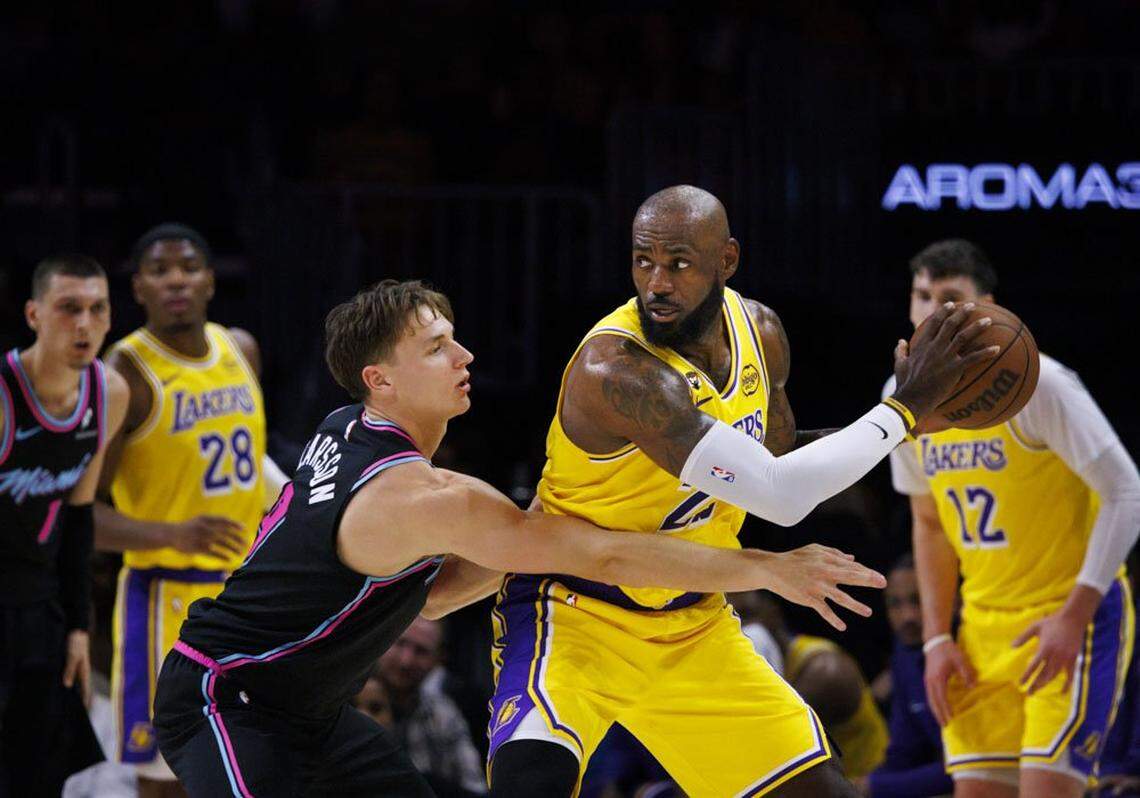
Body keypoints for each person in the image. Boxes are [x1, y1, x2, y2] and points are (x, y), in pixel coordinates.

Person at [152, 278, 889, 797]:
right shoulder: (428, 496)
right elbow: (602, 555)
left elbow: (434, 601)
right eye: (438, 347)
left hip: (308, 708)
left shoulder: (344, 428)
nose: (465, 356)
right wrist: (765, 567)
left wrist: (523, 536)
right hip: (226, 695)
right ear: (380, 379)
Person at [486, 185, 997, 798]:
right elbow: (780, 498)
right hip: (572, 614)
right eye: (642, 260)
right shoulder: (619, 371)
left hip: (691, 624)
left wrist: (902, 428)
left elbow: (773, 462)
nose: (656, 283)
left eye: (678, 263)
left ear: (726, 260)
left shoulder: (760, 331)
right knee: (531, 785)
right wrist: (902, 410)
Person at [887, 239, 1140, 798]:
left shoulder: (1039, 383)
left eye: (949, 298)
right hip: (980, 628)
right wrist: (935, 639)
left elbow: (1128, 491)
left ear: (986, 307)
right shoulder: (900, 399)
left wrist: (1074, 617)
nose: (931, 312)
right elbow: (928, 524)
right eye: (922, 296)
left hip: (1069, 616)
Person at [94, 223, 286, 796]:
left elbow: (256, 464)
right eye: (159, 270)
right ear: (138, 288)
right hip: (162, 600)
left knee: (249, 763)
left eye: (188, 266)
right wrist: (174, 532)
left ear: (209, 280)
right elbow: (82, 513)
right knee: (164, 777)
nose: (176, 279)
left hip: (245, 592)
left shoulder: (240, 348)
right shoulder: (123, 371)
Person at [0, 255, 129, 795]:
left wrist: (79, 627)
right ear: (33, 314)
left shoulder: (108, 393)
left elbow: (78, 519)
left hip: (42, 606)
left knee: (40, 774)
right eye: (68, 308)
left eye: (97, 309)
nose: (85, 323)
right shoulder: (5, 395)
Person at [734, 591, 889, 780]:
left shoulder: (826, 672)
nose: (740, 628)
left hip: (869, 785)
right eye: (731, 618)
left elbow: (769, 748)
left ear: (774, 615)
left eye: (747, 615)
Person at [862, 553, 953, 797]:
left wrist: (872, 787)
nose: (908, 617)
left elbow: (967, 766)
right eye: (895, 604)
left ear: (952, 599)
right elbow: (904, 752)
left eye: (918, 600)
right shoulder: (905, 655)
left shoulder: (966, 652)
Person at [378, 617, 486, 795]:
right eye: (400, 643)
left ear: (439, 659)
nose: (406, 661)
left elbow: (475, 787)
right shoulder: (344, 702)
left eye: (421, 651)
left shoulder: (444, 713)